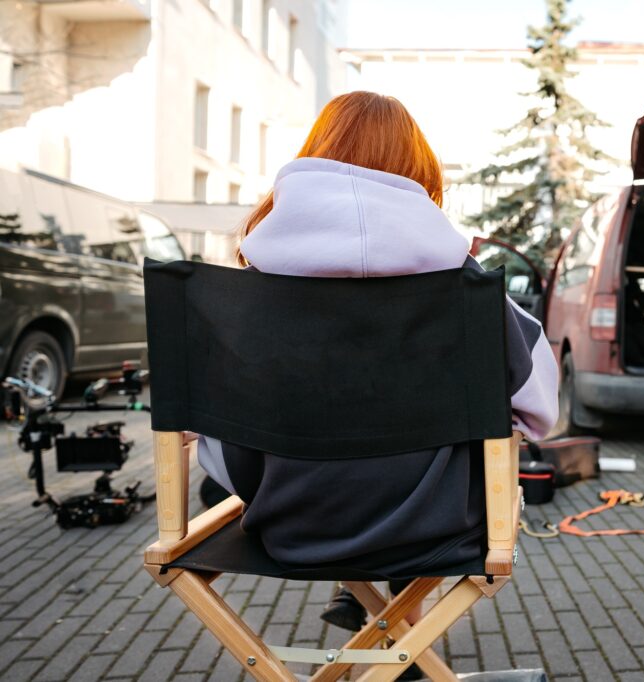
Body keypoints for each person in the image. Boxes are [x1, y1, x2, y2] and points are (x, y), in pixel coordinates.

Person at [193, 91, 559, 678]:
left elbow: (202, 426)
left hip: (286, 528)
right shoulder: (469, 294)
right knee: (435, 463)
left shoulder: (242, 296)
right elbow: (538, 412)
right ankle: (396, 648)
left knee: (247, 479)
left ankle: (378, 628)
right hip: (440, 527)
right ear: (417, 172)